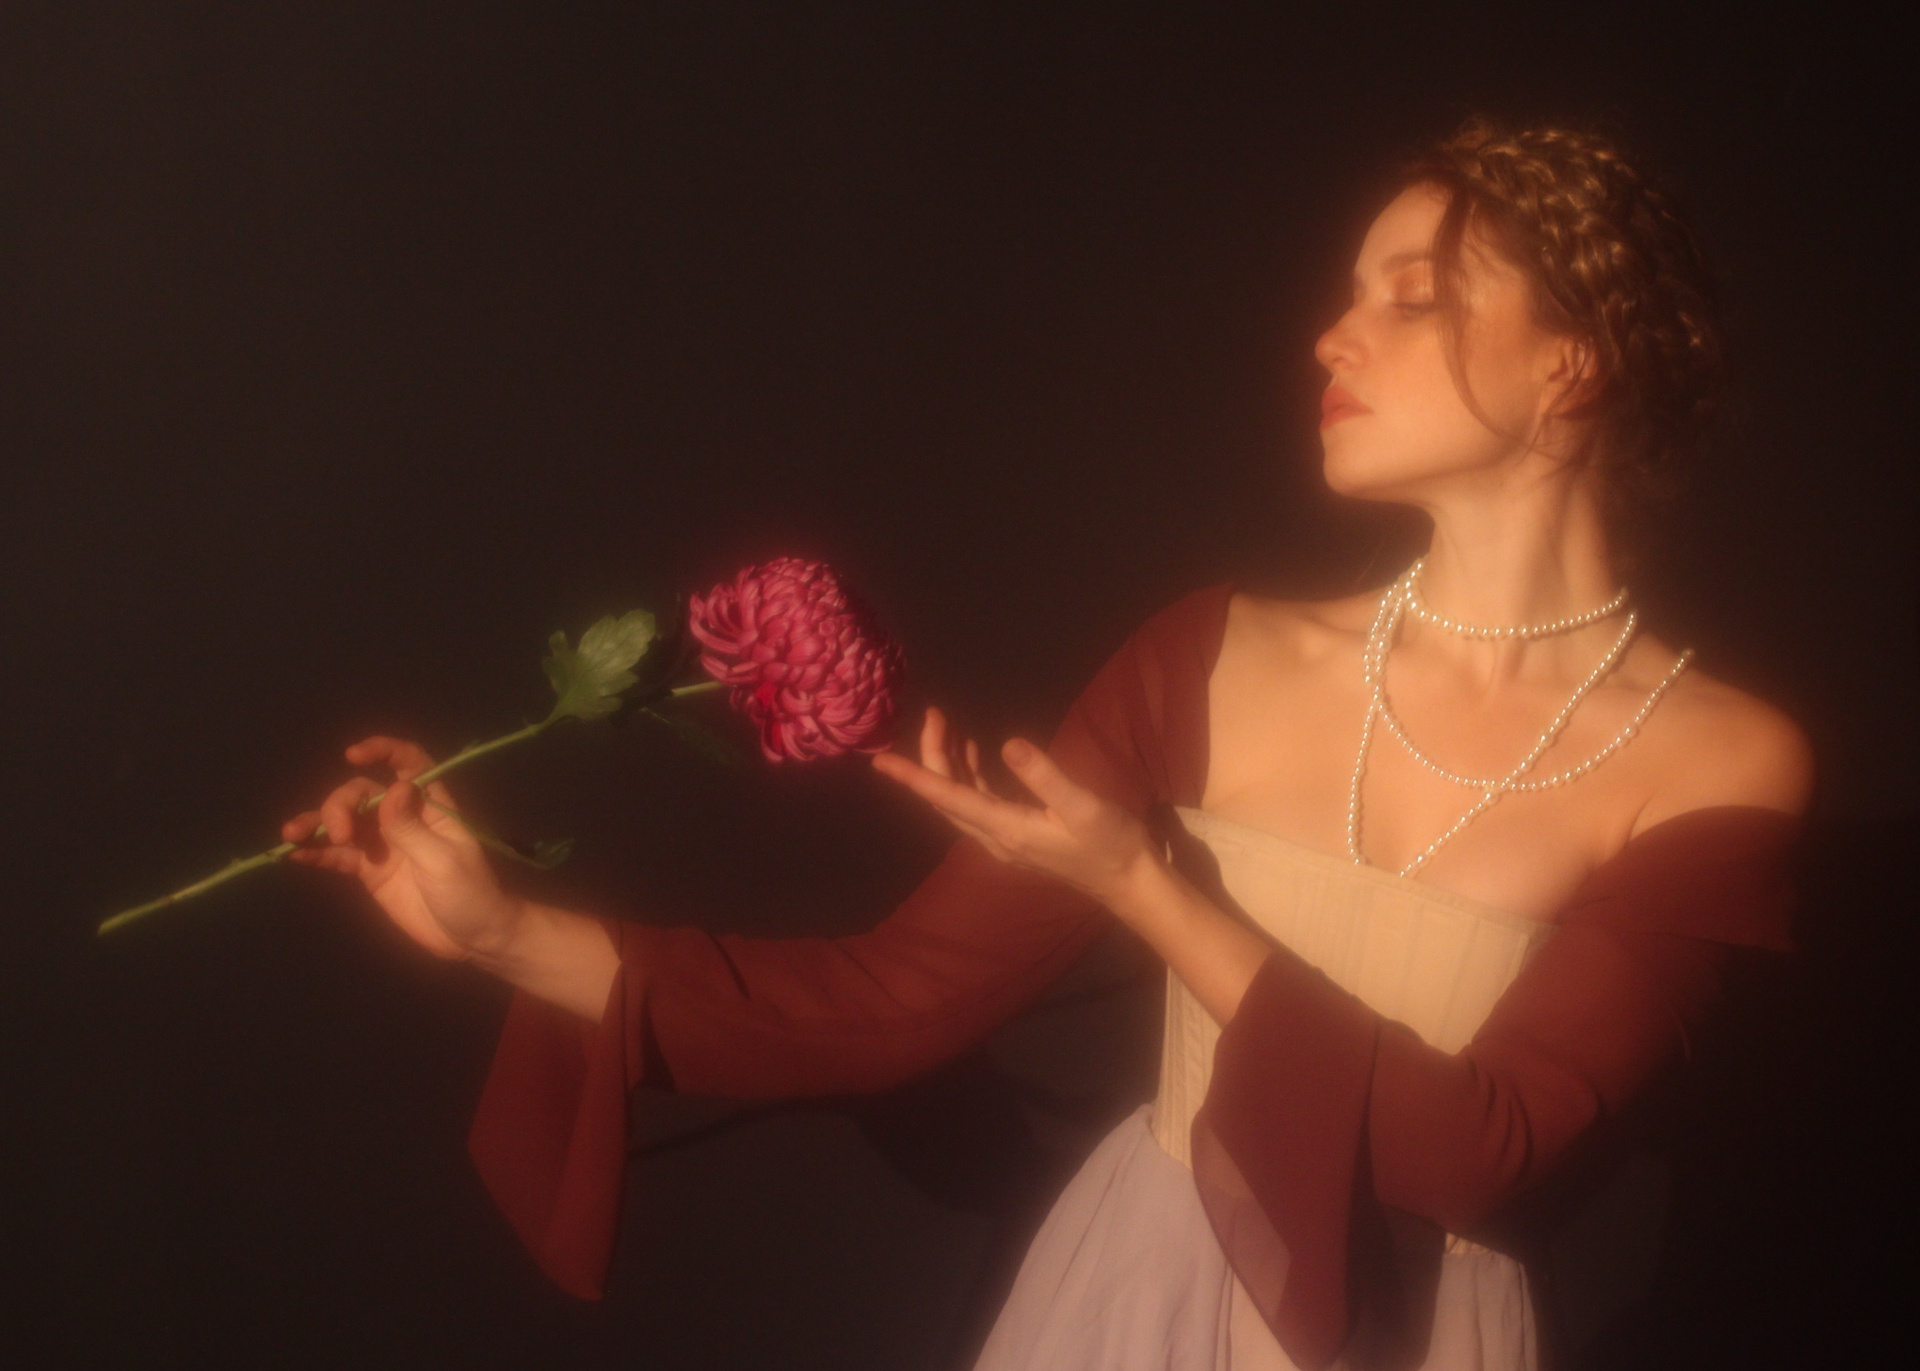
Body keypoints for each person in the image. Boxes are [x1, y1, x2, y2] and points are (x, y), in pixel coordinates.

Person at [280, 117, 1812, 1370]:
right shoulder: (1213, 651)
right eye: (1349, 292)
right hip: (1135, 1310)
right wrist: (498, 930)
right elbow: (890, 1003)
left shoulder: (1721, 763)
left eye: (1411, 297)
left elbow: (1477, 1154)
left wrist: (1141, 886)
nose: (1330, 334)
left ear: (1570, 363)